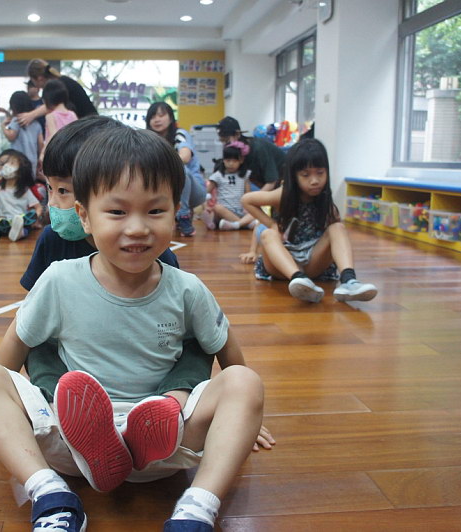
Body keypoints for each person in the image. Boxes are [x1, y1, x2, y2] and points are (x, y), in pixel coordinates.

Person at [0, 126, 266, 532]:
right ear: (85, 216)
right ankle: (51, 495)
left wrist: (245, 417)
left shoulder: (187, 289)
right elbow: (13, 351)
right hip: (69, 441)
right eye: (118, 212)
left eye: (155, 211)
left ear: (177, 211)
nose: (138, 227)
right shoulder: (59, 279)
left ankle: (196, 509)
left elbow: (229, 356)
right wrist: (5, 419)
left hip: (168, 441)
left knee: (246, 383)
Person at [20, 114, 275, 453]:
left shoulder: (155, 256)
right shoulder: (54, 247)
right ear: (86, 210)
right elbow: (27, 326)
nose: (53, 203)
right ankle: (68, 412)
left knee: (197, 343)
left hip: (149, 368)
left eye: (64, 190)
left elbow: (200, 331)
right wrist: (12, 409)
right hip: (76, 364)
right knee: (36, 345)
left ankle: (163, 411)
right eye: (50, 189)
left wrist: (241, 414)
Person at [241, 138, 378, 303]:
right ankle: (298, 279)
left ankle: (349, 281)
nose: (314, 180)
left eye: (320, 173)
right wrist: (272, 224)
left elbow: (337, 238)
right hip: (283, 265)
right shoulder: (283, 194)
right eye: (305, 175)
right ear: (294, 176)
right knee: (268, 234)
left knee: (338, 228)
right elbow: (247, 200)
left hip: (313, 263)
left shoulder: (324, 199)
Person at [146, 102, 206, 237]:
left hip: (195, 192)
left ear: (171, 118)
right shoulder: (148, 140)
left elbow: (185, 157)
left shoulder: (179, 134)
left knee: (180, 168)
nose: (157, 119)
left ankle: (183, 216)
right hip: (169, 191)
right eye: (153, 116)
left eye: (161, 115)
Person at [0, 149, 41, 242]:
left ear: (21, 166)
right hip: (3, 221)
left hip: (20, 221)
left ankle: (19, 233)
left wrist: (32, 218)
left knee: (27, 227)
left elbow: (38, 207)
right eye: (2, 164)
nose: (5, 166)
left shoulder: (25, 189)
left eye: (11, 163)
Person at [16, 58, 97, 128]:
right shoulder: (61, 81)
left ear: (39, 78)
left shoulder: (58, 85)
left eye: (33, 81)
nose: (35, 85)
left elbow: (52, 105)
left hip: (89, 124)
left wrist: (31, 115)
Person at [217, 116, 285, 192]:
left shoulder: (258, 149)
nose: (225, 145)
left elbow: (272, 182)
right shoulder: (235, 152)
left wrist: (254, 198)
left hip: (285, 183)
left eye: (226, 140)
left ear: (237, 134)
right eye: (222, 141)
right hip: (267, 184)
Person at [203, 142, 258, 232]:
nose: (231, 164)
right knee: (217, 208)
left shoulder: (245, 175)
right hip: (224, 211)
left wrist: (247, 208)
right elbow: (206, 193)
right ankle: (245, 224)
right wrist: (206, 206)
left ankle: (235, 224)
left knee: (256, 211)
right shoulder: (218, 176)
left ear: (241, 161)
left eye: (234, 161)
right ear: (223, 160)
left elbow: (247, 194)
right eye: (228, 161)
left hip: (240, 210)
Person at [1, 91, 44, 178]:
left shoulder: (16, 120)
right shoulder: (36, 123)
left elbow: (11, 136)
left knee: (19, 182)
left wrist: (3, 126)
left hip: (17, 160)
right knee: (30, 182)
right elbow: (41, 144)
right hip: (33, 160)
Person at [41, 80, 78, 151]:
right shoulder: (72, 114)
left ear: (47, 99)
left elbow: (53, 136)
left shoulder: (50, 116)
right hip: (71, 151)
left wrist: (43, 152)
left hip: (56, 152)